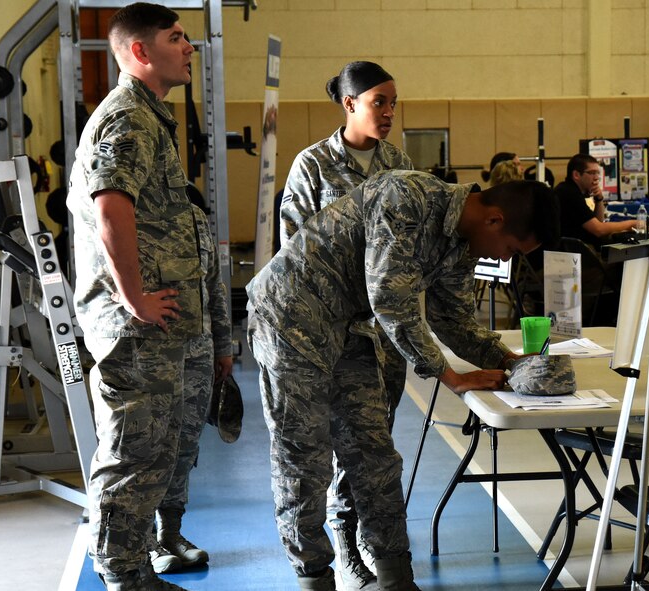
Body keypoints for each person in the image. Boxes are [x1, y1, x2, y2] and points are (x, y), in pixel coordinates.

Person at [247, 171, 558, 591]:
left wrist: (509, 361)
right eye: (510, 251)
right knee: (303, 456)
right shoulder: (406, 197)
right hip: (290, 316)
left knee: (373, 452)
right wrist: (449, 376)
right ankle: (314, 578)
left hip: (349, 324)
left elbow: (452, 319)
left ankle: (395, 577)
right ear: (495, 220)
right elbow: (389, 298)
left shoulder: (463, 244)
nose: (504, 260)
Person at [66, 4, 202, 590]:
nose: (189, 47)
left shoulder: (150, 117)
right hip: (134, 327)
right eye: (176, 38)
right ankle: (123, 576)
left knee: (150, 451)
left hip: (150, 327)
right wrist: (137, 297)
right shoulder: (127, 118)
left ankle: (134, 568)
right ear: (140, 52)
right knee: (132, 451)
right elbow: (110, 206)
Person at [279, 60, 412, 591]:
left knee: (372, 447)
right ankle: (340, 546)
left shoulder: (399, 165)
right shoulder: (312, 166)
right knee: (333, 445)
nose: (388, 113)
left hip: (386, 337)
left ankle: (356, 536)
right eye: (379, 101)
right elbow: (295, 253)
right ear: (349, 104)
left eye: (393, 103)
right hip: (331, 334)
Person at [148, 204, 233, 574]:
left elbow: (212, 284)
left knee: (184, 448)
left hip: (196, 352)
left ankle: (171, 534)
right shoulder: (125, 213)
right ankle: (143, 543)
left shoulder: (194, 217)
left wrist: (223, 345)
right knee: (148, 449)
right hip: (150, 352)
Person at [555, 154, 639, 247]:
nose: (596, 178)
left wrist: (599, 199)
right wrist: (633, 223)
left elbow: (598, 221)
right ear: (576, 175)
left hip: (579, 247)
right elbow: (599, 230)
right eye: (592, 173)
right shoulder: (569, 193)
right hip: (573, 253)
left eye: (597, 173)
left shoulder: (573, 190)